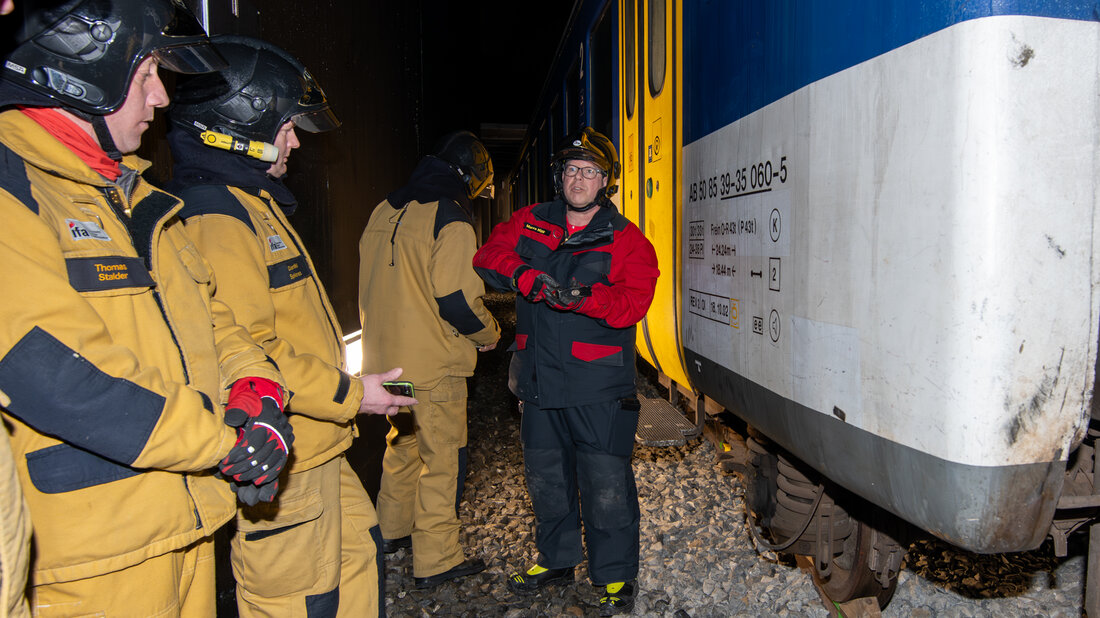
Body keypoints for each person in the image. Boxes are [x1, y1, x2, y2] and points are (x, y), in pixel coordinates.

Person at [0, 1, 298, 615]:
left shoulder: (134, 196)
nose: (161, 99)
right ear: (82, 76)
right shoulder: (16, 188)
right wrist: (222, 443)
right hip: (95, 558)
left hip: (185, 523)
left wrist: (258, 395)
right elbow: (57, 374)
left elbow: (212, 320)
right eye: (146, 76)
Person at [165, 35, 417, 616]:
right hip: (289, 451)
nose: (295, 141)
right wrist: (355, 394)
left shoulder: (253, 203)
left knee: (359, 567)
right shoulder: (216, 216)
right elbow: (253, 354)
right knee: (302, 601)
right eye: (284, 126)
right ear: (237, 121)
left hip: (320, 447)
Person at [472, 127, 659, 615]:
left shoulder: (626, 239)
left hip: (596, 385)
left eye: (590, 172)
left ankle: (615, 575)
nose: (579, 179)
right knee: (546, 479)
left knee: (606, 484)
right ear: (561, 177)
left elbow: (634, 302)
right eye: (571, 170)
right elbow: (487, 255)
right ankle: (556, 559)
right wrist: (525, 275)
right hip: (535, 381)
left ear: (605, 182)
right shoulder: (531, 221)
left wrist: (586, 299)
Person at [358, 130, 501, 588]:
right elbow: (456, 299)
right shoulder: (452, 220)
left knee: (401, 447)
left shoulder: (384, 209)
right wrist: (489, 334)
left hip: (385, 368)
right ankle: (437, 558)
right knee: (443, 462)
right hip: (434, 368)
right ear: (468, 178)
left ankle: (392, 532)